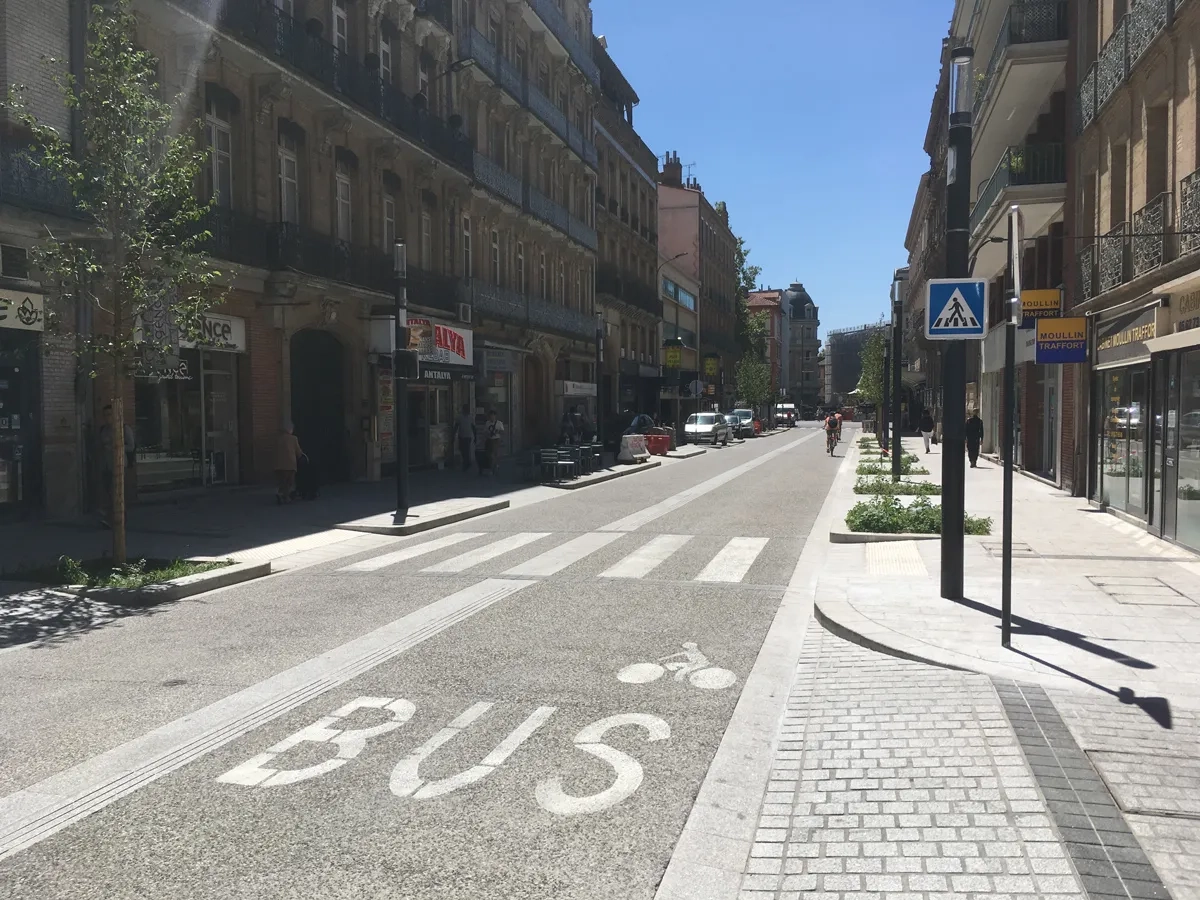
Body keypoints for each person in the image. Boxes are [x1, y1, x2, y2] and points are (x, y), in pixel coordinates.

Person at [97, 404, 136, 525]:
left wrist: (118, 447)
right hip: (106, 465)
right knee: (108, 492)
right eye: (105, 415)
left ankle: (115, 520)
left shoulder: (124, 429)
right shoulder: (104, 430)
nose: (107, 417)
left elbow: (131, 446)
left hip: (119, 465)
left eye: (109, 414)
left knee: (117, 493)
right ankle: (113, 517)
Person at [274, 422, 303, 504]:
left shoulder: (278, 438)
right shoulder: (294, 438)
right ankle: (285, 497)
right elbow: (298, 451)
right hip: (290, 463)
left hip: (278, 464)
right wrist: (301, 455)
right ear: (290, 430)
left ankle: (280, 493)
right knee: (289, 481)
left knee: (282, 481)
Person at [482, 409, 505, 476]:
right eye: (490, 416)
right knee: (489, 455)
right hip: (489, 440)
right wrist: (484, 438)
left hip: (496, 440)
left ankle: (492, 469)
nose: (491, 417)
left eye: (493, 415)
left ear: (495, 416)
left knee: (493, 454)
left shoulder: (499, 423)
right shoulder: (487, 423)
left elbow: (502, 432)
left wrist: (498, 431)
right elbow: (485, 432)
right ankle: (495, 465)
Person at [454, 404, 475, 472]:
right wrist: (453, 435)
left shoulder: (470, 417)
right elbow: (456, 426)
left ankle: (466, 463)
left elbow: (473, 427)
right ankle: (467, 462)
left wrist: (475, 436)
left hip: (468, 436)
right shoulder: (460, 417)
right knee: (461, 449)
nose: (467, 410)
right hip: (461, 435)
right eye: (466, 409)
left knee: (466, 450)